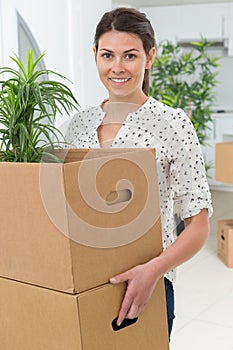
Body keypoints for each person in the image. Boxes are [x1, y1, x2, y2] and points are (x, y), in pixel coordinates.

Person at [65, 7, 213, 339]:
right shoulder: (78, 125)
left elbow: (198, 225)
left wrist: (153, 272)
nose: (117, 67)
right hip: (84, 283)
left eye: (129, 55)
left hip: (149, 285)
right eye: (107, 55)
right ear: (95, 56)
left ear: (149, 58)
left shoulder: (173, 124)